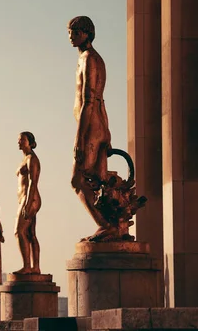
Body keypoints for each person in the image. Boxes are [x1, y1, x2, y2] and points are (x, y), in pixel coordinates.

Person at [68, 16, 114, 242]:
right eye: (70, 32)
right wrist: (107, 131)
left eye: (76, 32)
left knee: (78, 180)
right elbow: (101, 101)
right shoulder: (90, 58)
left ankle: (106, 225)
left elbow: (90, 100)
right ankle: (109, 227)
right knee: (96, 181)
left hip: (90, 127)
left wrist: (80, 136)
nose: (71, 36)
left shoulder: (89, 59)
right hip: (97, 126)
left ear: (87, 33)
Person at [14, 131, 41, 275]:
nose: (19, 142)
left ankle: (27, 266)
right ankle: (34, 267)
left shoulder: (32, 159)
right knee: (30, 233)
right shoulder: (24, 159)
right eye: (18, 140)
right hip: (25, 198)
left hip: (30, 198)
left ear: (29, 142)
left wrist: (28, 203)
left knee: (19, 231)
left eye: (22, 140)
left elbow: (33, 182)